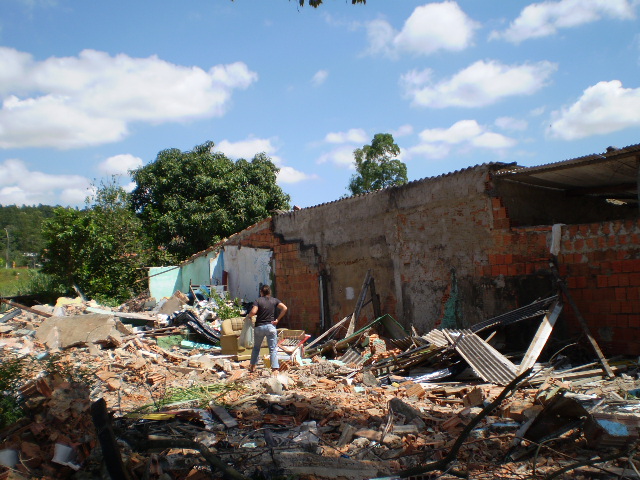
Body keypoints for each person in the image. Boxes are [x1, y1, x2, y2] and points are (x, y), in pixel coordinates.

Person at [246, 285, 287, 374]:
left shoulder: (258, 301)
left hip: (259, 327)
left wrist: (248, 316)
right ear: (269, 292)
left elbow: (253, 311)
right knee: (273, 349)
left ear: (261, 292)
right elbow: (285, 308)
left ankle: (252, 367)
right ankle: (275, 369)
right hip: (270, 327)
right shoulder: (274, 300)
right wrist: (277, 319)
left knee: (256, 347)